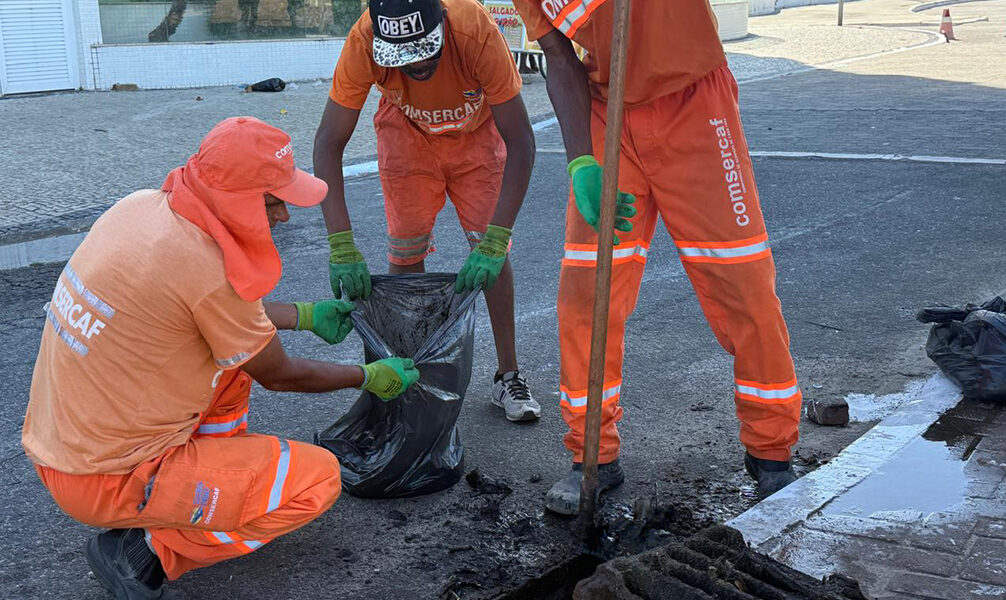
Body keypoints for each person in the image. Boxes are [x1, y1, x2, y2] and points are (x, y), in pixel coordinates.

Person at [22, 117, 420, 599]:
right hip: (108, 475)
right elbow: (280, 374)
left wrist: (303, 315)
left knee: (234, 358)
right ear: (239, 199)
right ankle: (148, 552)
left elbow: (211, 312)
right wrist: (368, 375)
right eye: (275, 203)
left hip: (59, 443)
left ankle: (214, 470)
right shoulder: (208, 270)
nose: (285, 218)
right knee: (316, 482)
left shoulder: (141, 208)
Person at [511, 0, 803, 514]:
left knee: (744, 285)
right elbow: (559, 56)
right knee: (585, 292)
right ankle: (593, 455)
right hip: (608, 113)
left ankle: (770, 449)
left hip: (695, 104)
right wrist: (581, 158)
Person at [314, 0, 541, 422]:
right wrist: (340, 243)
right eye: (403, 56)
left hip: (477, 139)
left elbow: (522, 141)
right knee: (406, 254)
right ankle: (410, 375)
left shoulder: (475, 30)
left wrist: (494, 240)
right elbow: (329, 141)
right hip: (407, 137)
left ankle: (508, 375)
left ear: (442, 26)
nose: (416, 65)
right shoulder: (364, 40)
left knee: (492, 254)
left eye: (425, 50)